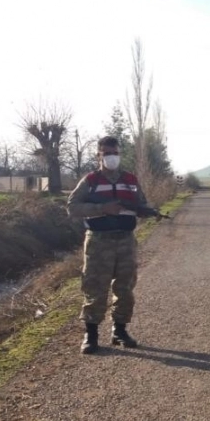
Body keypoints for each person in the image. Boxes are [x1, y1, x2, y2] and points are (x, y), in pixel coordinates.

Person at [67, 136, 151, 354]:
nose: (111, 157)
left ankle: (119, 331)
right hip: (98, 241)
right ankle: (91, 335)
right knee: (95, 287)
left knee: (125, 287)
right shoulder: (91, 180)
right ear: (99, 156)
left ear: (120, 154)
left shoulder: (131, 180)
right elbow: (73, 207)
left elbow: (141, 203)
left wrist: (147, 211)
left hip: (125, 239)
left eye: (114, 153)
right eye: (106, 153)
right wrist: (103, 209)